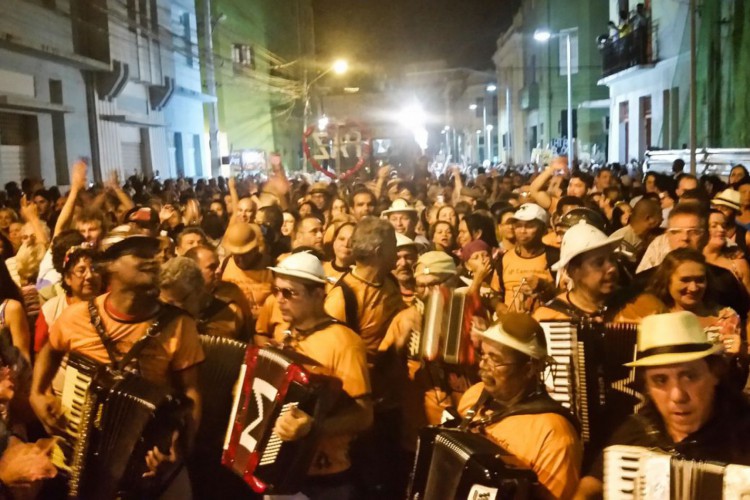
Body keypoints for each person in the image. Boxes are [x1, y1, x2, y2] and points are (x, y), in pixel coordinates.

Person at [30, 226, 204, 493]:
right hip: (85, 449)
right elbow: (50, 351)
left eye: (153, 252)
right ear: (108, 265)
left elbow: (190, 393)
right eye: (137, 253)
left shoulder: (178, 324)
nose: (152, 259)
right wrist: (37, 392)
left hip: (150, 455)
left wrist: (180, 450)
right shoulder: (77, 317)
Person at [575, 311, 750, 498]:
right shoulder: (638, 431)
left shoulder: (743, 431)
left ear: (714, 373)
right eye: (660, 380)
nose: (677, 395)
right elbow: (591, 484)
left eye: (689, 376)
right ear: (647, 386)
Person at [268, 252, 373, 499]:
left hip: (324, 479)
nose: (279, 300)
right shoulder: (287, 333)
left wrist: (313, 428)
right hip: (279, 469)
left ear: (317, 295)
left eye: (289, 293)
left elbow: (363, 415)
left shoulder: (345, 342)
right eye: (276, 291)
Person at [458, 314, 582, 499]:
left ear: (529, 368)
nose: (483, 365)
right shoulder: (473, 396)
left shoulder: (555, 435)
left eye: (495, 359)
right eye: (483, 354)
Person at [534, 222, 663, 323]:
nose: (612, 268)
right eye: (599, 263)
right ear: (573, 272)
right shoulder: (548, 317)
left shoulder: (647, 307)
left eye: (612, 260)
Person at [643, 248, 743, 358]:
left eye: (700, 280)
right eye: (685, 280)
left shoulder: (726, 318)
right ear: (667, 281)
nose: (693, 288)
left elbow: (736, 369)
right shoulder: (652, 320)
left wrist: (742, 355)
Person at [34, 244, 103, 353]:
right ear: (67, 278)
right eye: (81, 271)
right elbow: (40, 352)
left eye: (94, 269)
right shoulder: (51, 310)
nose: (89, 276)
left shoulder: (110, 305)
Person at [496, 203, 558, 313]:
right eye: (518, 225)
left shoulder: (555, 257)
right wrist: (499, 307)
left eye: (530, 226)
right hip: (510, 324)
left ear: (543, 229)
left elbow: (567, 295)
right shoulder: (505, 258)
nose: (522, 230)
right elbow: (495, 293)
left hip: (544, 324)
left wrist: (544, 286)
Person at [219, 222, 273, 324]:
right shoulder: (225, 265)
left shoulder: (271, 267)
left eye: (245, 254)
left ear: (255, 249)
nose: (240, 259)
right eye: (236, 255)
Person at [703, 209, 750, 295]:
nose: (721, 230)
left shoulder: (738, 264)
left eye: (724, 226)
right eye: (714, 226)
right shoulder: (692, 260)